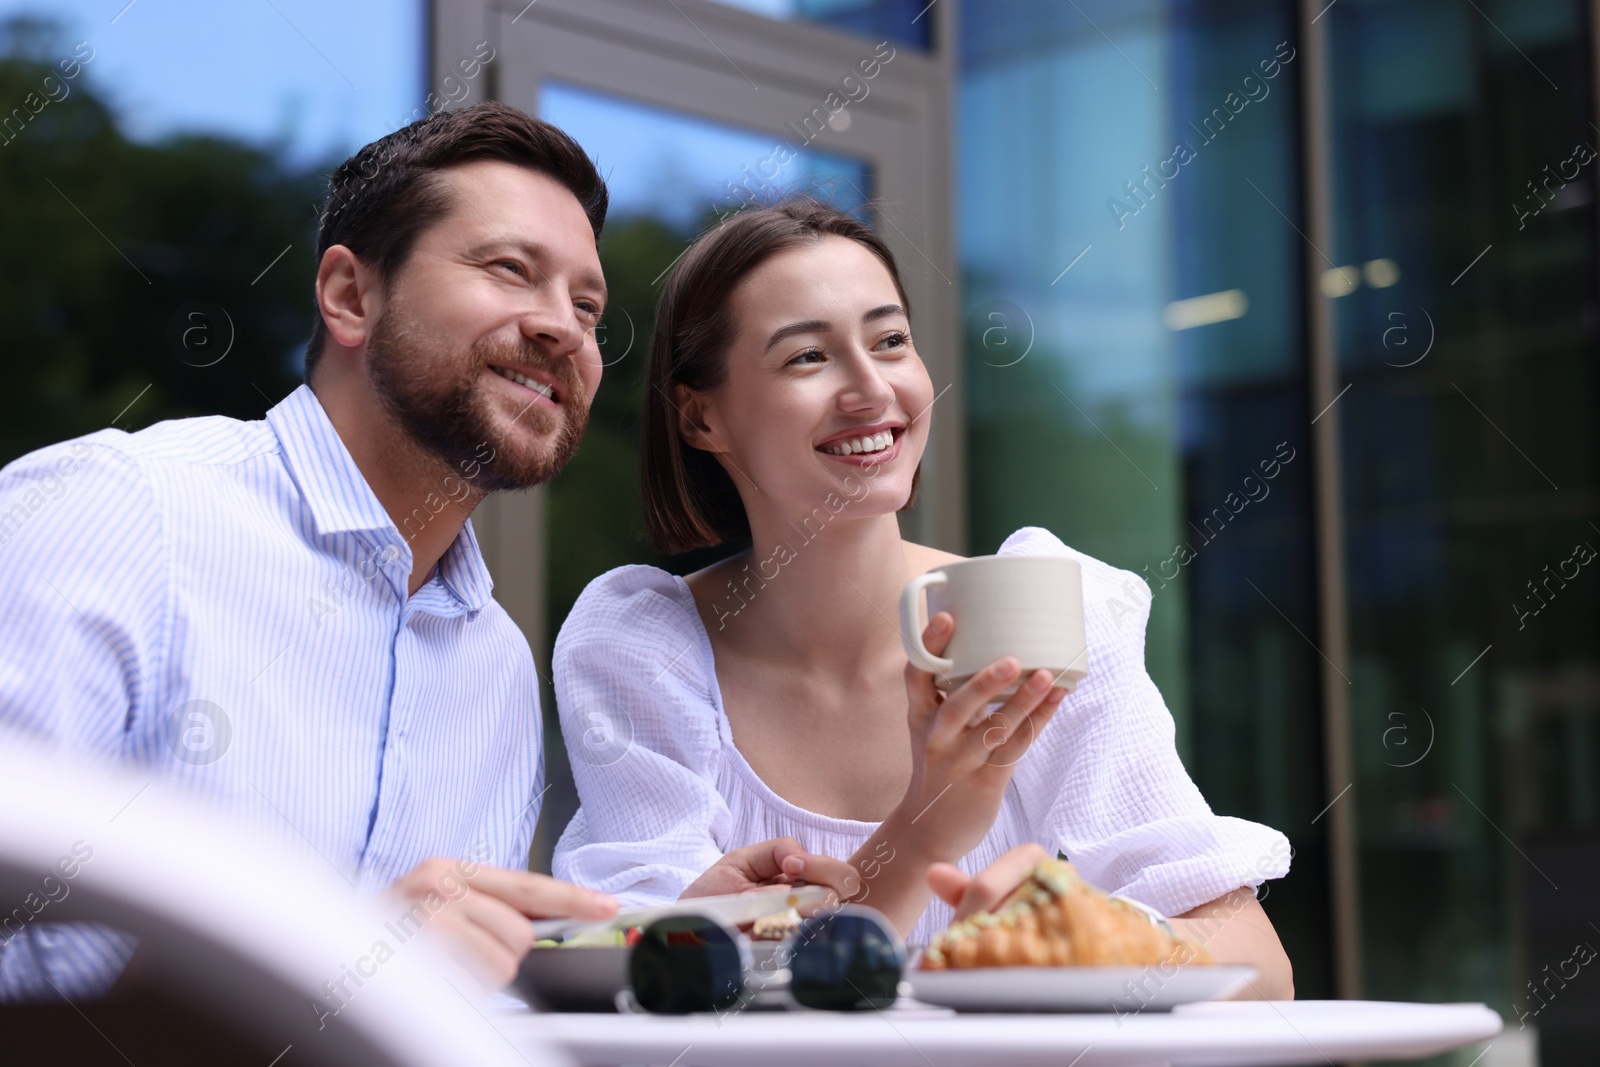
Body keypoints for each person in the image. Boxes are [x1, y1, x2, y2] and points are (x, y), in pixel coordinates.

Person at [0, 102, 841, 1001]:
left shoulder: (497, 669)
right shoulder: (107, 514)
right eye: (511, 270)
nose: (563, 327)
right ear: (351, 295)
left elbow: (445, 997)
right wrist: (331, 954)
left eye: (588, 306)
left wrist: (643, 935)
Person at [552, 199, 1295, 996]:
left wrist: (1094, 943)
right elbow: (658, 997)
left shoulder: (1038, 609)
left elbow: (1257, 964)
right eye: (808, 357)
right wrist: (924, 831)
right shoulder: (643, 647)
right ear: (702, 415)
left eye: (890, 341)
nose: (872, 389)